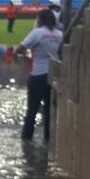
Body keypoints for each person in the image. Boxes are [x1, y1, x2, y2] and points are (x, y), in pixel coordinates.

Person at [16, 9, 63, 140]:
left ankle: (26, 139)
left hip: (38, 75)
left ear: (40, 20)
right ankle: (48, 140)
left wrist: (24, 55)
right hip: (54, 76)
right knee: (49, 111)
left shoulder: (37, 33)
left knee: (32, 110)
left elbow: (19, 49)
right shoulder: (60, 34)